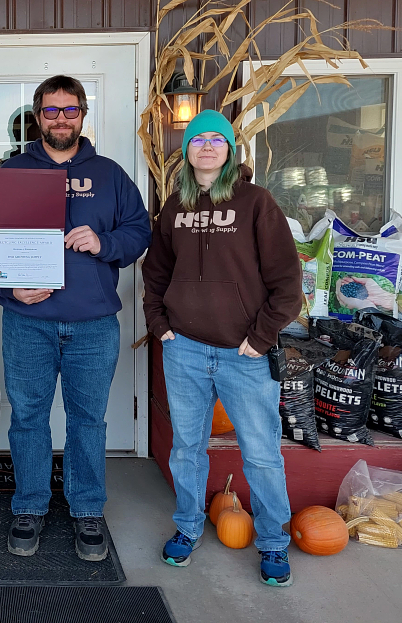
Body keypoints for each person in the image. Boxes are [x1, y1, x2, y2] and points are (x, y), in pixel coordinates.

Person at [0, 75, 151, 561]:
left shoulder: (110, 174)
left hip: (93, 323)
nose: (61, 118)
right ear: (38, 117)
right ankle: (30, 506)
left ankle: (86, 509)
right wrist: (7, 286)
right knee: (29, 419)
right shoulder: (12, 172)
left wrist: (105, 244)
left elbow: (139, 232)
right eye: (51, 111)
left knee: (87, 421)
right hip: (26, 322)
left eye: (70, 110)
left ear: (82, 114)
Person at [141, 108, 303, 587]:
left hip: (244, 355)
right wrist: (159, 324)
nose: (207, 145)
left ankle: (274, 542)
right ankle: (188, 527)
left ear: (230, 150)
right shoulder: (175, 208)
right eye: (197, 139)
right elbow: (156, 273)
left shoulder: (256, 202)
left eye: (217, 139)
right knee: (187, 449)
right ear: (186, 151)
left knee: (261, 454)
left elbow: (288, 282)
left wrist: (261, 337)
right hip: (184, 349)